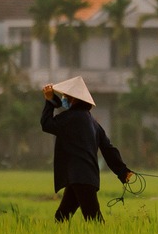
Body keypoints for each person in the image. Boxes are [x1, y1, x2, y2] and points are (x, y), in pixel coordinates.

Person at [39, 76, 133, 222]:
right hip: (84, 176)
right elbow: (108, 150)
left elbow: (47, 124)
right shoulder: (93, 123)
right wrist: (123, 171)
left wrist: (49, 101)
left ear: (74, 99)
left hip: (79, 176)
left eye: (65, 96)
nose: (64, 99)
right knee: (62, 217)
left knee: (94, 219)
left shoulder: (70, 118)